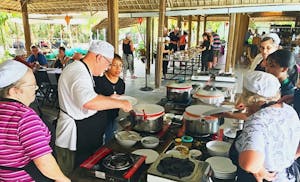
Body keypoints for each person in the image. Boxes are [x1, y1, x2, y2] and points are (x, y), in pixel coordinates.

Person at [55, 40, 132, 176]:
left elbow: (88, 96)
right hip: (76, 136)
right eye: (108, 64)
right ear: (99, 58)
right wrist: (121, 103)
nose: (107, 68)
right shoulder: (78, 72)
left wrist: (110, 99)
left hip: (85, 135)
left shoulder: (84, 69)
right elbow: (88, 102)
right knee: (76, 174)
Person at [0, 61, 69, 181]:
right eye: (32, 85)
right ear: (14, 91)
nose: (36, 89)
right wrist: (63, 179)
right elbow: (44, 162)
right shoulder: (24, 117)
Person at [229, 71, 300, 182]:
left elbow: (249, 163)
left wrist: (259, 170)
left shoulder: (257, 120)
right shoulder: (289, 110)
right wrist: (284, 160)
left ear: (249, 97)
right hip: (287, 176)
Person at [94, 54, 125, 144]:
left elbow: (121, 100)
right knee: (99, 141)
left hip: (113, 116)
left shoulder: (121, 83)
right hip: (100, 117)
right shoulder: (99, 81)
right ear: (108, 66)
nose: (118, 68)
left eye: (120, 65)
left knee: (111, 139)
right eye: (114, 65)